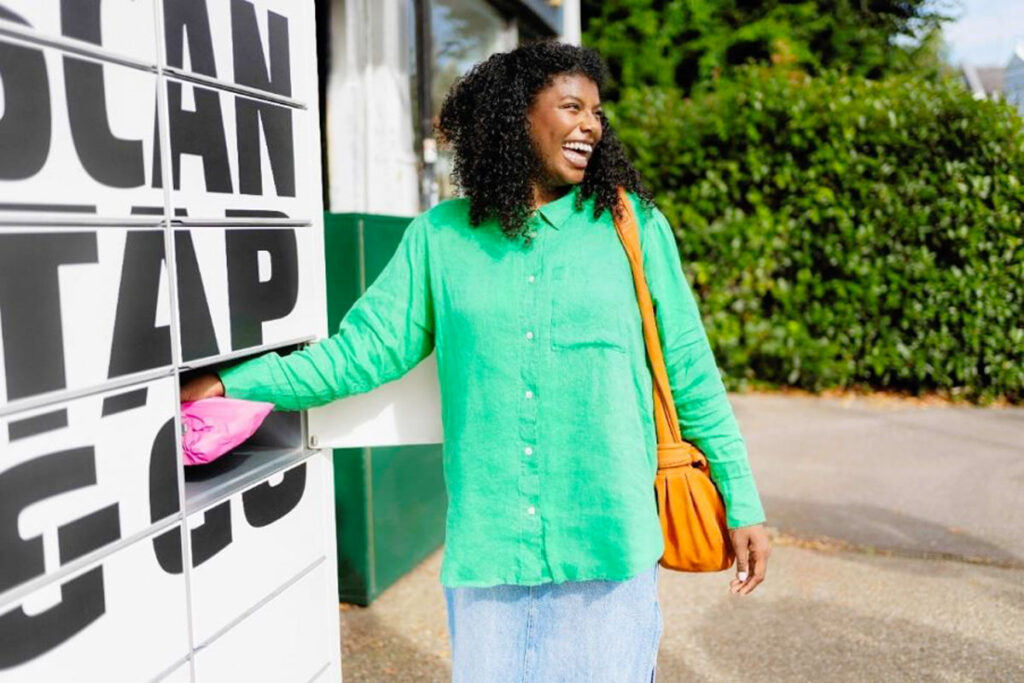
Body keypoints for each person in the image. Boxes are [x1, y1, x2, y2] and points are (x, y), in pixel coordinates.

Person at [181, 41, 771, 682]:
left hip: (610, 545)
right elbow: (363, 353)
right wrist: (234, 383)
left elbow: (689, 370)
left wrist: (742, 502)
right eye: (571, 107)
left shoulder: (634, 228)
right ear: (515, 116)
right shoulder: (439, 237)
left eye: (597, 112)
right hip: (491, 553)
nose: (590, 126)